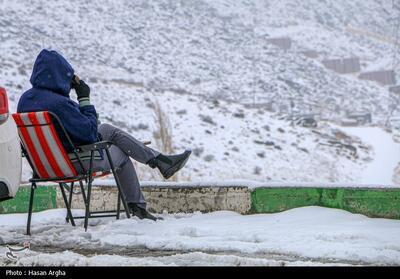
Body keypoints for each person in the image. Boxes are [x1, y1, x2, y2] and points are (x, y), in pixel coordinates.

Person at [17, 49, 191, 221]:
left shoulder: (25, 100)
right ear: (59, 76)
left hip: (44, 166)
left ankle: (160, 161)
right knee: (122, 153)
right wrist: (84, 98)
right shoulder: (59, 104)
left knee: (108, 130)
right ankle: (139, 204)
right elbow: (89, 134)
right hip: (73, 163)